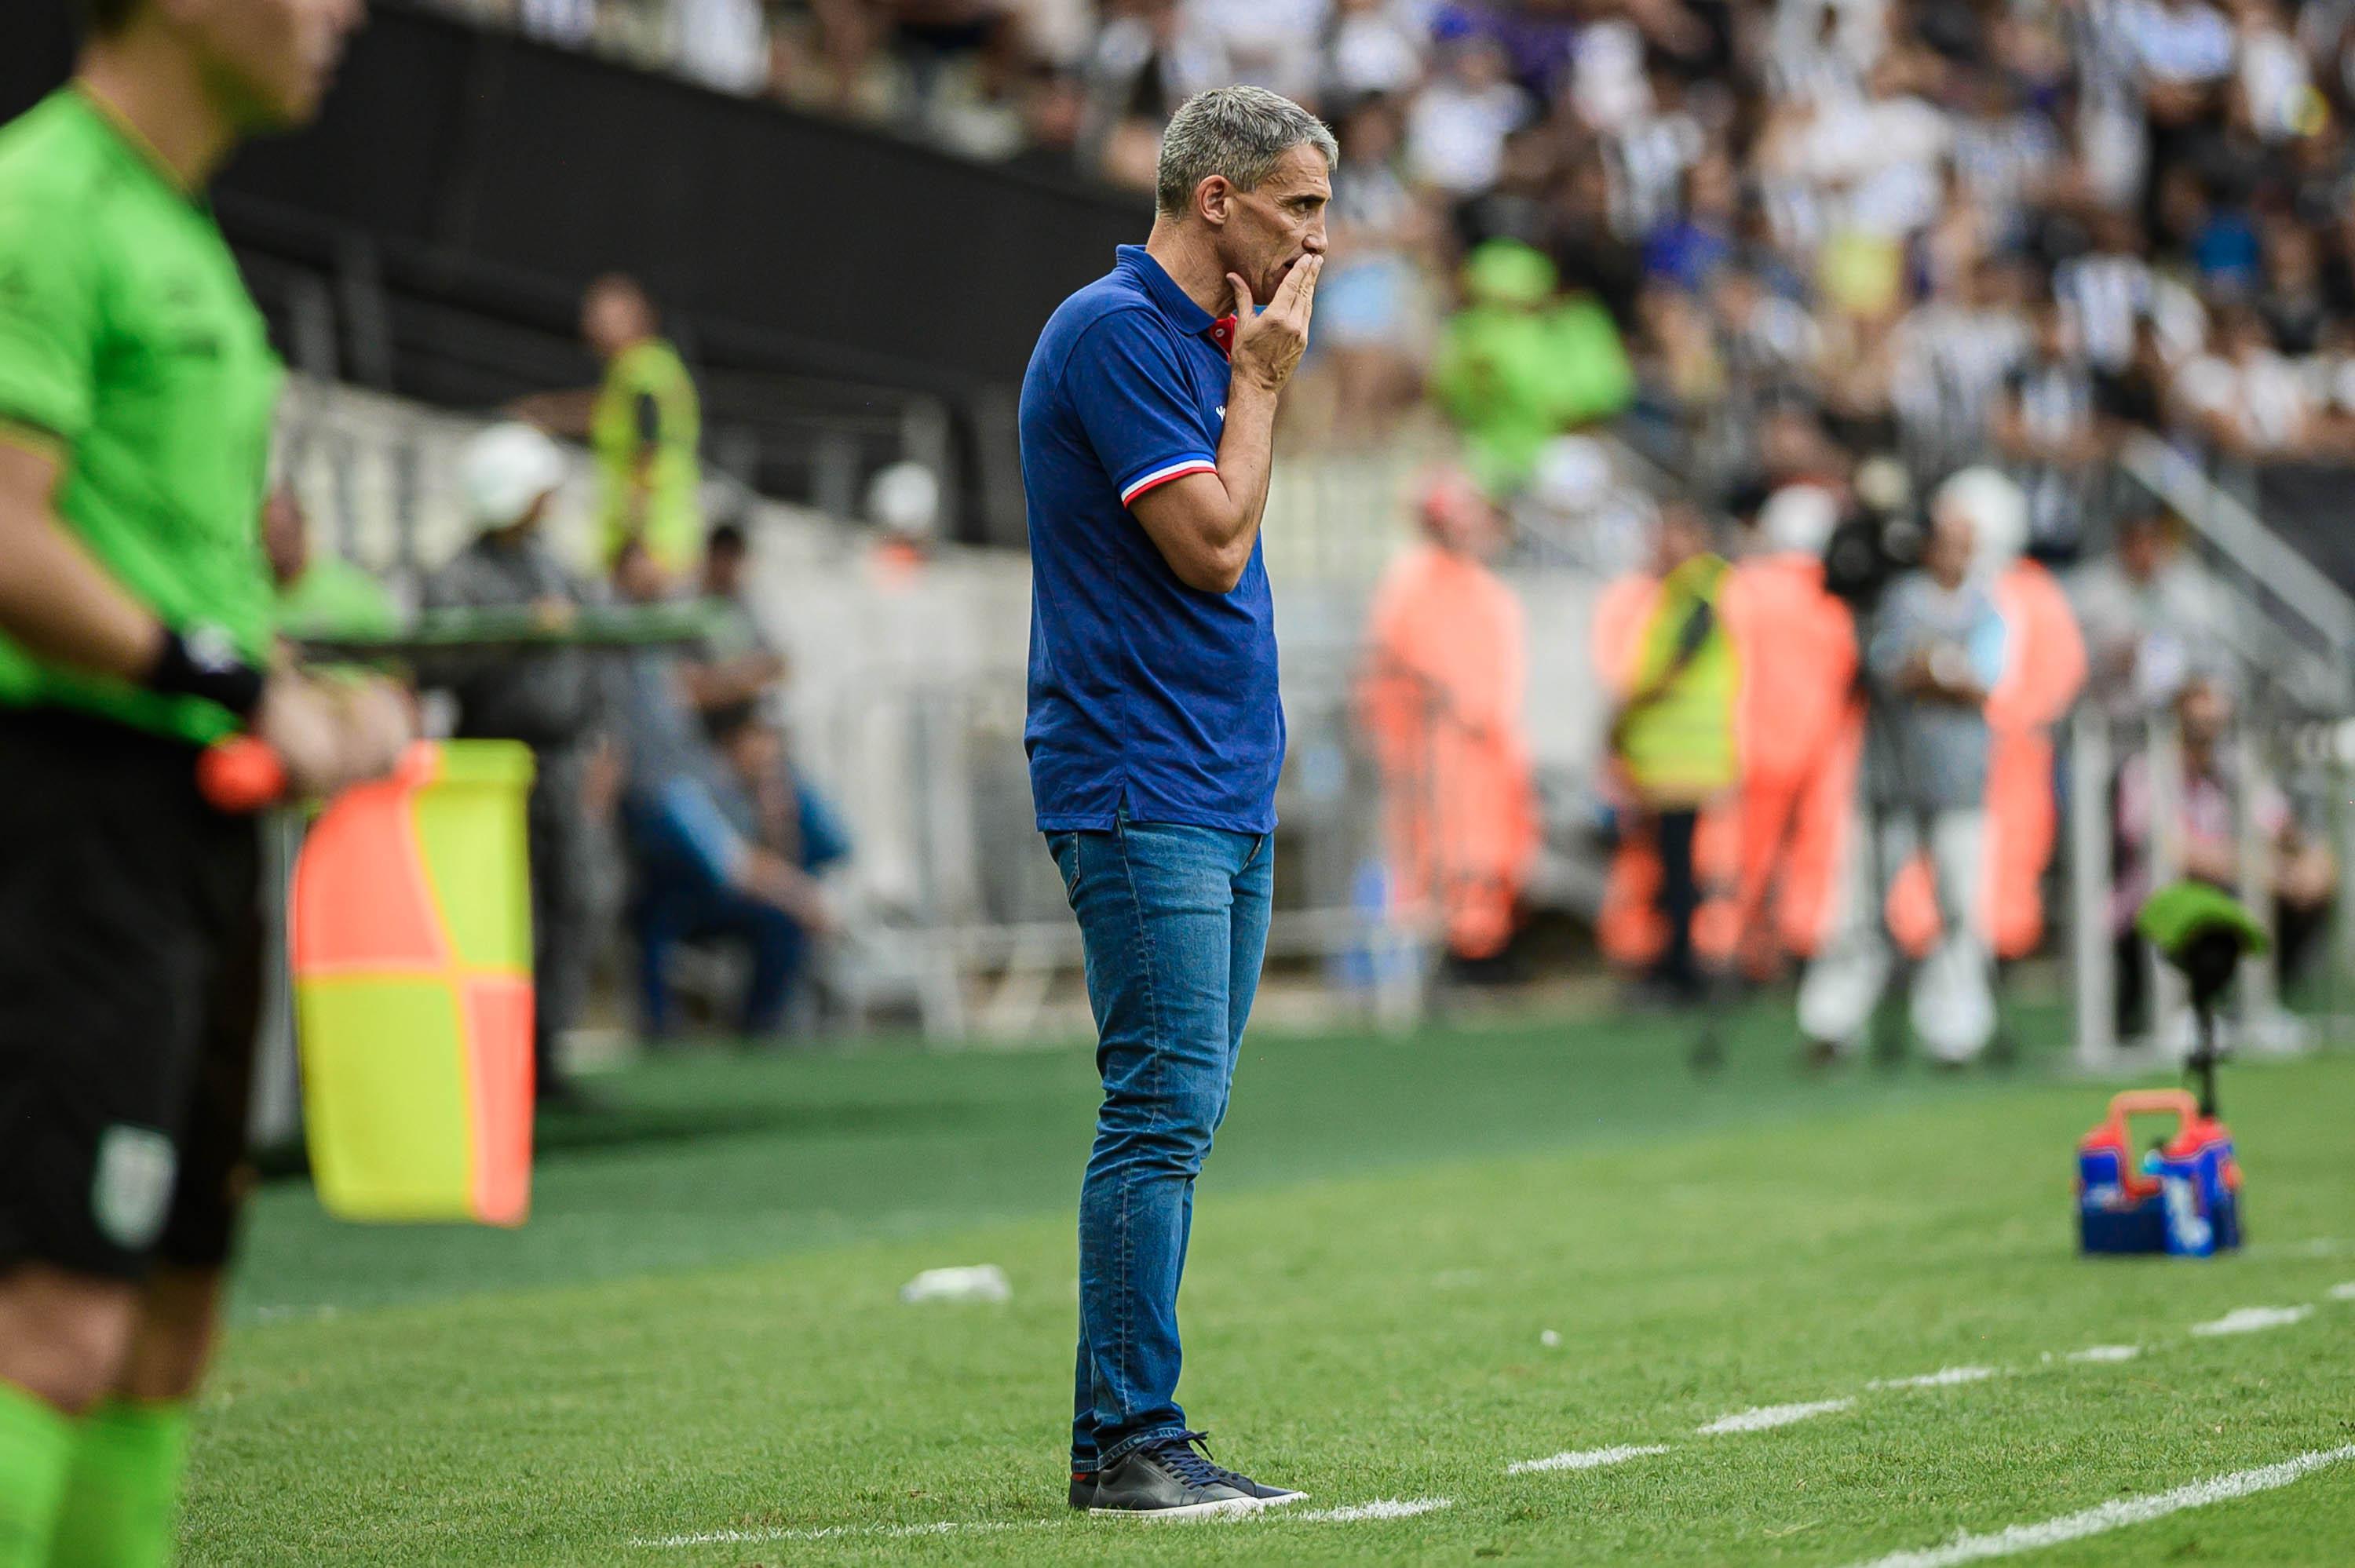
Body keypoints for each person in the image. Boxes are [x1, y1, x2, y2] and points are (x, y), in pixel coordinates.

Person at [0, 2, 410, 1562]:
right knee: (52, 1323)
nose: (343, 14)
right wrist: (237, 685)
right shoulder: (42, 205)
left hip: (194, 834)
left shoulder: (182, 240)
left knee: (165, 1334)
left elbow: (177, 569)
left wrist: (319, 705)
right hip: (70, 819)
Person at [1020, 85, 1326, 1517]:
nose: (1323, 237)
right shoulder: (1117, 333)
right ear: (1220, 202)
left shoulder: (1202, 338)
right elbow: (1209, 548)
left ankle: (1120, 1439)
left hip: (1213, 779)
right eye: (1302, 206)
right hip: (1143, 781)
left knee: (1178, 1110)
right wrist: (1260, 384)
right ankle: (1134, 1437)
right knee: (1159, 1110)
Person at [420, 424, 609, 1109]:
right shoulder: (458, 578)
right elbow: (436, 667)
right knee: (498, 913)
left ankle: (545, 1051)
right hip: (491, 757)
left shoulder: (553, 566)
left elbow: (594, 650)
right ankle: (491, 1057)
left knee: (575, 901)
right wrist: (514, 635)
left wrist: (599, 740)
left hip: (561, 756)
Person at [1798, 490, 2008, 1067]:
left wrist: (1930, 671)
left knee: (1961, 911)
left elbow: (1983, 684)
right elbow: (1889, 668)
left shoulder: (1989, 608)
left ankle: (1956, 1032)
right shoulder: (1900, 600)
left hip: (1959, 781)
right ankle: (1833, 1022)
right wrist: (1941, 672)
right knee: (1861, 906)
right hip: (1888, 779)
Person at [608, 544, 834, 1041]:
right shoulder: (674, 781)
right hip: (668, 865)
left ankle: (764, 1031)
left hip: (705, 861)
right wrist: (801, 897)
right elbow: (731, 861)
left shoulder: (720, 772)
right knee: (679, 913)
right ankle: (661, 1031)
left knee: (784, 908)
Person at [1356, 471, 1538, 974]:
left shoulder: (1483, 588)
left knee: (1488, 850)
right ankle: (1453, 953)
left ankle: (1485, 947)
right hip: (1436, 747)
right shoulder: (1413, 584)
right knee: (1441, 850)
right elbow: (1398, 667)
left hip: (1484, 749)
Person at [2112, 675, 2335, 1034]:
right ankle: (2179, 1013)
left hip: (2231, 890)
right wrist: (2258, 868)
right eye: (2198, 726)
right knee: (2217, 904)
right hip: (2153, 905)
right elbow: (2171, 850)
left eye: (2217, 726)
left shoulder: (2233, 770)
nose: (2209, 736)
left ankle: (2257, 1008)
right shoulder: (2146, 771)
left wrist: (2310, 857)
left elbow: (2279, 824)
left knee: (2300, 893)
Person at [1604, 502, 1740, 1005]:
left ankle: (1683, 965)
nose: (1662, 546)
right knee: (1671, 865)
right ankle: (1676, 959)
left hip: (1687, 756)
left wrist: (1621, 717)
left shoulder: (1702, 593)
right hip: (1669, 755)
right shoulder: (1680, 592)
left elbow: (1672, 667)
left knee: (1681, 867)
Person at [513, 275, 704, 575]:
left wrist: (636, 544)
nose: (590, 327)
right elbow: (605, 412)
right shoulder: (642, 371)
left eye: (603, 317)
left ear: (639, 318)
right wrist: (550, 413)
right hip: (654, 544)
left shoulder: (643, 372)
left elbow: (647, 450)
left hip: (650, 550)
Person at [260, 487, 400, 642]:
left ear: (301, 530)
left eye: (283, 534)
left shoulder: (351, 591)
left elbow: (392, 654)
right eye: (266, 536)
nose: (276, 545)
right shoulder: (251, 596)